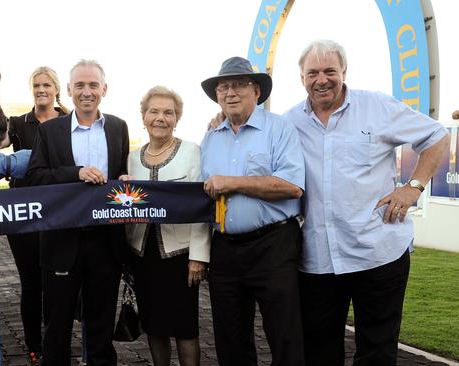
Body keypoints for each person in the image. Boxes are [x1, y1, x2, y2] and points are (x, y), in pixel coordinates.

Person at [285, 39, 450, 365]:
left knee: (377, 352)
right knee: (318, 352)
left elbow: (437, 136)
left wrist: (413, 187)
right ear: (301, 77)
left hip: (378, 251)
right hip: (317, 258)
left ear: (344, 72)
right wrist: (223, 118)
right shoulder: (289, 122)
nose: (322, 79)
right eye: (313, 72)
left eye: (330, 71)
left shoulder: (377, 107)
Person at [200, 57, 306, 366]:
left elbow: (291, 186)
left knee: (284, 335)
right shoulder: (211, 137)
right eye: (223, 87)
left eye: (238, 85)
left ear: (256, 91)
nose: (230, 93)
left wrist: (231, 183)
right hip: (225, 250)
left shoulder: (279, 128)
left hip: (273, 245)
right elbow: (199, 191)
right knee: (230, 340)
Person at [24, 59, 129, 366]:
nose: (87, 92)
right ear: (68, 90)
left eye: (93, 85)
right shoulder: (49, 131)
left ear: (104, 89)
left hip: (106, 242)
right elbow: (35, 177)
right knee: (57, 328)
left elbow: (123, 172)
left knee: (101, 326)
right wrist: (76, 173)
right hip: (61, 242)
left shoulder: (119, 127)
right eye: (80, 86)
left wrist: (124, 178)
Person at [119, 86, 209, 366]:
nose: (161, 118)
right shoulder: (133, 158)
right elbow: (128, 206)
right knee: (154, 325)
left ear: (177, 118)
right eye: (154, 111)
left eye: (168, 112)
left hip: (180, 256)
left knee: (185, 328)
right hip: (143, 256)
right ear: (144, 116)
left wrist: (199, 255)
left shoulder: (192, 152)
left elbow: (201, 206)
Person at [5, 66, 70, 366]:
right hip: (25, 215)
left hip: (61, 212)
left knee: (58, 282)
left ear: (57, 89)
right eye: (36, 85)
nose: (41, 90)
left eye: (46, 85)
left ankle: (56, 340)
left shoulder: (71, 122)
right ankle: (35, 346)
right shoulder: (18, 123)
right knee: (31, 283)